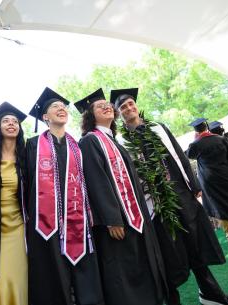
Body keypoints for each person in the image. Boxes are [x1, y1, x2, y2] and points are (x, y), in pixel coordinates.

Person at [114, 89, 228, 305]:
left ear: (136, 105)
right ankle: (173, 300)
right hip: (153, 203)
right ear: (119, 114)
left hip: (180, 193)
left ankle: (211, 293)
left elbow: (179, 154)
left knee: (194, 245)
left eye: (130, 104)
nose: (129, 108)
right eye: (123, 107)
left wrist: (193, 185)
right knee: (168, 253)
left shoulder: (158, 128)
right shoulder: (121, 141)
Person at [76, 89, 167, 305]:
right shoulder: (90, 141)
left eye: (108, 104)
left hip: (134, 217)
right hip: (117, 223)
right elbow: (97, 182)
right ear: (90, 116)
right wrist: (112, 219)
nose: (107, 106)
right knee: (123, 274)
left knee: (139, 268)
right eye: (100, 106)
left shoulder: (114, 140)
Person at [25, 87, 104, 305]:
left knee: (85, 275)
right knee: (53, 278)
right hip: (46, 223)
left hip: (77, 220)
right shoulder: (32, 145)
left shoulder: (77, 146)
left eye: (63, 107)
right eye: (54, 107)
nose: (61, 109)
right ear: (45, 117)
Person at [0, 102, 28, 305]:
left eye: (15, 121)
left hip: (18, 225)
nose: (11, 124)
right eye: (6, 121)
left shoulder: (26, 156)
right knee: (0, 279)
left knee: (17, 277)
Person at [187, 118, 228, 246]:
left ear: (196, 130)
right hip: (226, 176)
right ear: (206, 127)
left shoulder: (195, 144)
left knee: (218, 206)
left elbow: (189, 155)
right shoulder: (222, 140)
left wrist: (196, 139)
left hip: (208, 179)